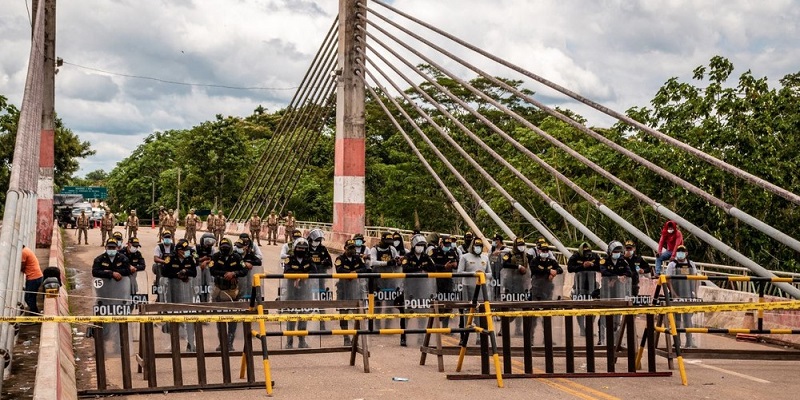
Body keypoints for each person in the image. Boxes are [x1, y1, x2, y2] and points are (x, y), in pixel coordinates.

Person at [208, 238, 248, 351]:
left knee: (232, 318)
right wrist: (225, 274)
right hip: (219, 290)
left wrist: (234, 273)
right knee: (220, 319)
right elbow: (212, 270)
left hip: (232, 291)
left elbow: (244, 271)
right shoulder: (216, 256)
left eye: (226, 247)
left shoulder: (236, 257)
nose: (224, 248)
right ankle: (222, 343)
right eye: (222, 246)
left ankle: (230, 343)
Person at [160, 239, 198, 352]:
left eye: (187, 250)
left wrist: (186, 272)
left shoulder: (190, 258)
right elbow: (164, 272)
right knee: (174, 319)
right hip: (173, 293)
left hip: (187, 293)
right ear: (178, 250)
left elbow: (194, 273)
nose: (186, 252)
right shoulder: (170, 258)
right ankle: (174, 344)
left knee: (188, 319)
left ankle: (190, 344)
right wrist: (177, 275)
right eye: (184, 250)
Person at [92, 238, 132, 346]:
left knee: (119, 320)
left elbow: (128, 270)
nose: (111, 249)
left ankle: (119, 345)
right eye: (109, 247)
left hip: (119, 294)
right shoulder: (99, 259)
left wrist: (116, 272)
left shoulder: (123, 258)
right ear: (105, 248)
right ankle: (102, 347)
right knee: (104, 320)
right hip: (103, 294)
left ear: (117, 248)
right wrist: (111, 273)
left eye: (113, 248)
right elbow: (95, 272)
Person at [399, 234, 436, 346]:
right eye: (418, 245)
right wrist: (420, 269)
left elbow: (433, 268)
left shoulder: (426, 257)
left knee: (422, 313)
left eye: (422, 245)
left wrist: (423, 269)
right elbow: (405, 268)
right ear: (414, 246)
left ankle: (421, 336)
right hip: (409, 289)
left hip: (423, 289)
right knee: (406, 313)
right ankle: (403, 336)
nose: (420, 247)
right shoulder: (408, 257)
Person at [281, 238, 316, 349]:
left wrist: (302, 277)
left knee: (303, 317)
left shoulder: (309, 259)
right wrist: (298, 275)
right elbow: (287, 271)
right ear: (295, 249)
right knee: (291, 317)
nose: (301, 250)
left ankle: (302, 341)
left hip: (305, 292)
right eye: (299, 248)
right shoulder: (289, 259)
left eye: (303, 248)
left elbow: (314, 271)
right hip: (291, 292)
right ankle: (289, 342)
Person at [334, 239, 369, 346]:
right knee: (343, 316)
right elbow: (339, 270)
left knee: (358, 316)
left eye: (353, 248)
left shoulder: (358, 258)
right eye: (350, 248)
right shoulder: (339, 259)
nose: (352, 250)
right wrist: (349, 274)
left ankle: (356, 338)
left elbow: (365, 269)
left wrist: (355, 273)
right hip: (343, 291)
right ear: (345, 248)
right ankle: (346, 337)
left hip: (356, 290)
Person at [598, 240, 633, 344]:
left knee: (617, 317)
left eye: (618, 251)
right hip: (606, 292)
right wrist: (616, 276)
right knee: (604, 316)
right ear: (609, 252)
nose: (617, 253)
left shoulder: (622, 261)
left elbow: (629, 272)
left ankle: (616, 339)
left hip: (619, 292)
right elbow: (604, 272)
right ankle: (602, 338)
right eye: (615, 251)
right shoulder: (604, 261)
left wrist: (619, 277)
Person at [665, 245, 699, 348]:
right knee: (676, 320)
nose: (680, 253)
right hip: (676, 295)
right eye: (679, 251)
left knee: (688, 319)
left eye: (682, 251)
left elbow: (696, 279)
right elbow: (667, 280)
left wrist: (695, 293)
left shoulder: (691, 264)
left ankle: (689, 341)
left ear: (686, 253)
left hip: (688, 295)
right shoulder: (672, 265)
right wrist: (674, 294)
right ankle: (677, 341)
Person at [528, 242, 563, 339]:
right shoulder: (535, 261)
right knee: (534, 315)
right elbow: (534, 270)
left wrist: (555, 272)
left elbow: (560, 269)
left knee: (547, 316)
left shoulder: (551, 261)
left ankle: (547, 339)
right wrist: (548, 271)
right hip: (537, 291)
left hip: (547, 291)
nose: (545, 252)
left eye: (547, 250)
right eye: (543, 250)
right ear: (539, 251)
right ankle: (531, 338)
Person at [500, 237, 532, 335]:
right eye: (519, 245)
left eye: (522, 245)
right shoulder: (509, 254)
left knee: (521, 307)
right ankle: (503, 328)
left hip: (522, 285)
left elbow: (533, 265)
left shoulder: (527, 256)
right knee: (510, 308)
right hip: (511, 284)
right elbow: (504, 264)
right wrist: (518, 267)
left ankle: (518, 329)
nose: (521, 247)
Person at [566, 242, 600, 335]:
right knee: (580, 307)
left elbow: (601, 267)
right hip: (579, 285)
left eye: (588, 252)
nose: (587, 255)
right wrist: (582, 266)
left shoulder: (595, 256)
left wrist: (592, 265)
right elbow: (570, 268)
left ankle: (589, 328)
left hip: (592, 285)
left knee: (592, 307)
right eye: (585, 253)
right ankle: (581, 329)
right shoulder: (575, 257)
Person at [369, 232, 401, 330]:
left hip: (390, 280)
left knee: (390, 304)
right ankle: (377, 325)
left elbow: (397, 259)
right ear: (382, 240)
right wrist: (386, 263)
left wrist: (398, 261)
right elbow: (372, 262)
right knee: (377, 303)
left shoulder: (392, 249)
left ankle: (388, 326)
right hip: (377, 280)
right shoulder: (375, 249)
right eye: (386, 241)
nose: (388, 243)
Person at [430, 235, 460, 328]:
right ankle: (436, 324)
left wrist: (455, 265)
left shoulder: (452, 251)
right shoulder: (434, 252)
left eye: (449, 244)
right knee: (437, 302)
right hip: (437, 279)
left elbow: (457, 263)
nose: (447, 246)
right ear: (441, 243)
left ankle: (445, 326)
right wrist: (443, 267)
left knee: (448, 302)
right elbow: (431, 265)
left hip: (448, 279)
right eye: (446, 244)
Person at [307, 229, 333, 329]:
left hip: (321, 279)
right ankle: (307, 325)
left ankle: (322, 325)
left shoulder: (323, 249)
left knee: (321, 302)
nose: (318, 241)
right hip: (309, 280)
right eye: (316, 239)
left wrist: (324, 263)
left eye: (319, 239)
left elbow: (330, 263)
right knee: (309, 301)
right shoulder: (306, 248)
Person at [456, 236, 492, 303]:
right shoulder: (464, 257)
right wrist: (474, 274)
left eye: (480, 246)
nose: (478, 248)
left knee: (482, 306)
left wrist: (484, 274)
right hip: (468, 286)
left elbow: (490, 274)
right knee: (468, 307)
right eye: (476, 246)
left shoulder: (485, 258)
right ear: (472, 246)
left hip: (482, 287)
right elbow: (459, 272)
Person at [236, 235, 263, 305]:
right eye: (238, 246)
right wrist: (244, 263)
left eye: (241, 246)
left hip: (248, 278)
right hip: (237, 278)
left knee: (250, 288)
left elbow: (259, 262)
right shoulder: (235, 254)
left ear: (246, 247)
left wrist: (250, 262)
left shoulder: (250, 254)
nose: (239, 248)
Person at [152, 231, 175, 303]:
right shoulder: (158, 247)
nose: (167, 239)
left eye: (169, 237)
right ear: (162, 238)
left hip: (172, 266)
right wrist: (164, 261)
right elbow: (155, 259)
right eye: (166, 237)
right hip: (161, 266)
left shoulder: (174, 246)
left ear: (171, 238)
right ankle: (159, 296)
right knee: (158, 268)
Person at [21, 246, 43, 315]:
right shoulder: (27, 249)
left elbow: (22, 266)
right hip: (36, 277)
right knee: (31, 297)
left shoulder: (23, 252)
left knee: (29, 298)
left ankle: (35, 314)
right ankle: (34, 313)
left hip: (33, 278)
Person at [195, 232, 217, 303]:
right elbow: (194, 259)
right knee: (199, 284)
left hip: (208, 269)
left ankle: (208, 300)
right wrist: (202, 260)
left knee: (208, 284)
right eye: (207, 241)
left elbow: (214, 259)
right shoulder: (196, 248)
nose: (209, 244)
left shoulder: (212, 249)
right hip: (198, 269)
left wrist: (206, 262)